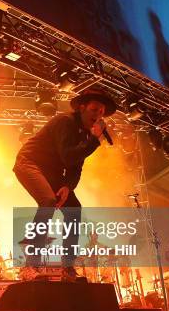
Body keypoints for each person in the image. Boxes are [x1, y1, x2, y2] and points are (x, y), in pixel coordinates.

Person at [13, 89, 116, 277]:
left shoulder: (85, 135)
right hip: (29, 163)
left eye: (101, 112)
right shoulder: (65, 121)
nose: (98, 115)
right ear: (82, 108)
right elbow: (68, 156)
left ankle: (68, 266)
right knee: (48, 201)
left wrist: (68, 186)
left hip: (52, 172)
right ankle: (29, 265)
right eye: (94, 110)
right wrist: (94, 140)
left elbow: (76, 167)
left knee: (74, 210)